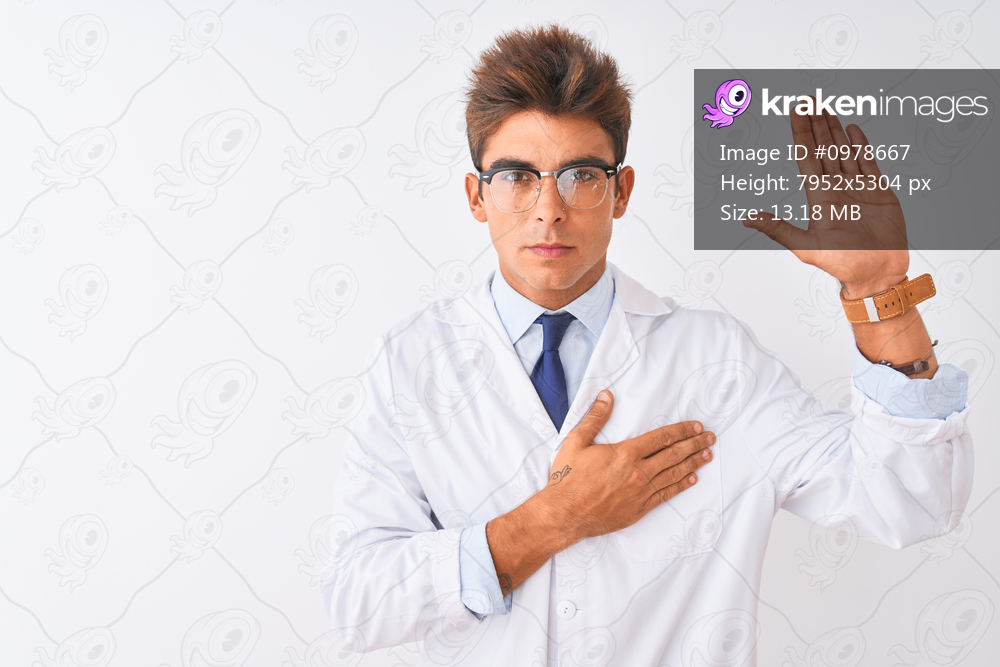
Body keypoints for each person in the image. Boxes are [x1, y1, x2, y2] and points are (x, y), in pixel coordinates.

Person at [322, 23, 971, 666]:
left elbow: (912, 499)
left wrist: (883, 292)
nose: (548, 209)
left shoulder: (718, 363)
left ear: (622, 191)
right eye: (518, 176)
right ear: (476, 196)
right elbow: (356, 601)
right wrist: (554, 518)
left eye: (580, 175)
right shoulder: (412, 363)